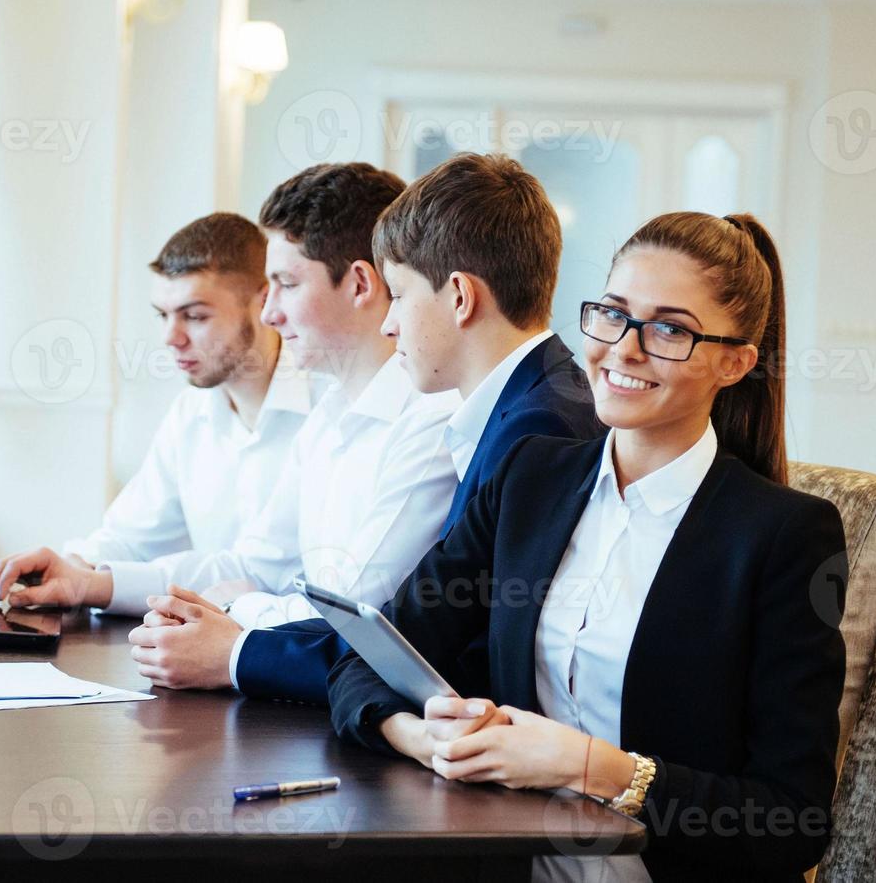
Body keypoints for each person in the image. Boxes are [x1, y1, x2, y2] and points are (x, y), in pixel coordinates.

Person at [327, 212, 848, 883]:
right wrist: (422, 739)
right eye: (613, 314)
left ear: (735, 362)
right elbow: (363, 659)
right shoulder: (529, 479)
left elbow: (791, 820)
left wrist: (590, 767)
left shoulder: (783, 536)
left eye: (670, 329)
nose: (624, 350)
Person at [0, 163, 462, 691]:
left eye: (284, 284)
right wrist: (89, 582)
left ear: (357, 284)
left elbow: (352, 620)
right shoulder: (330, 418)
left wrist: (234, 604)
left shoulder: (429, 418)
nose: (271, 313)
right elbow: (252, 563)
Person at [203, 153, 605, 702]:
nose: (389, 324)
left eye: (399, 295)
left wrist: (235, 651)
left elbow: (426, 641)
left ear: (460, 298)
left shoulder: (537, 428)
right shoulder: (524, 405)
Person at [0, 212, 323, 609]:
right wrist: (71, 565)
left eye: (195, 316)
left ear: (264, 301)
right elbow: (131, 536)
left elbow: (255, 572)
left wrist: (90, 585)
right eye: (163, 315)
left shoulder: (327, 408)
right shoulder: (191, 411)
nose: (170, 338)